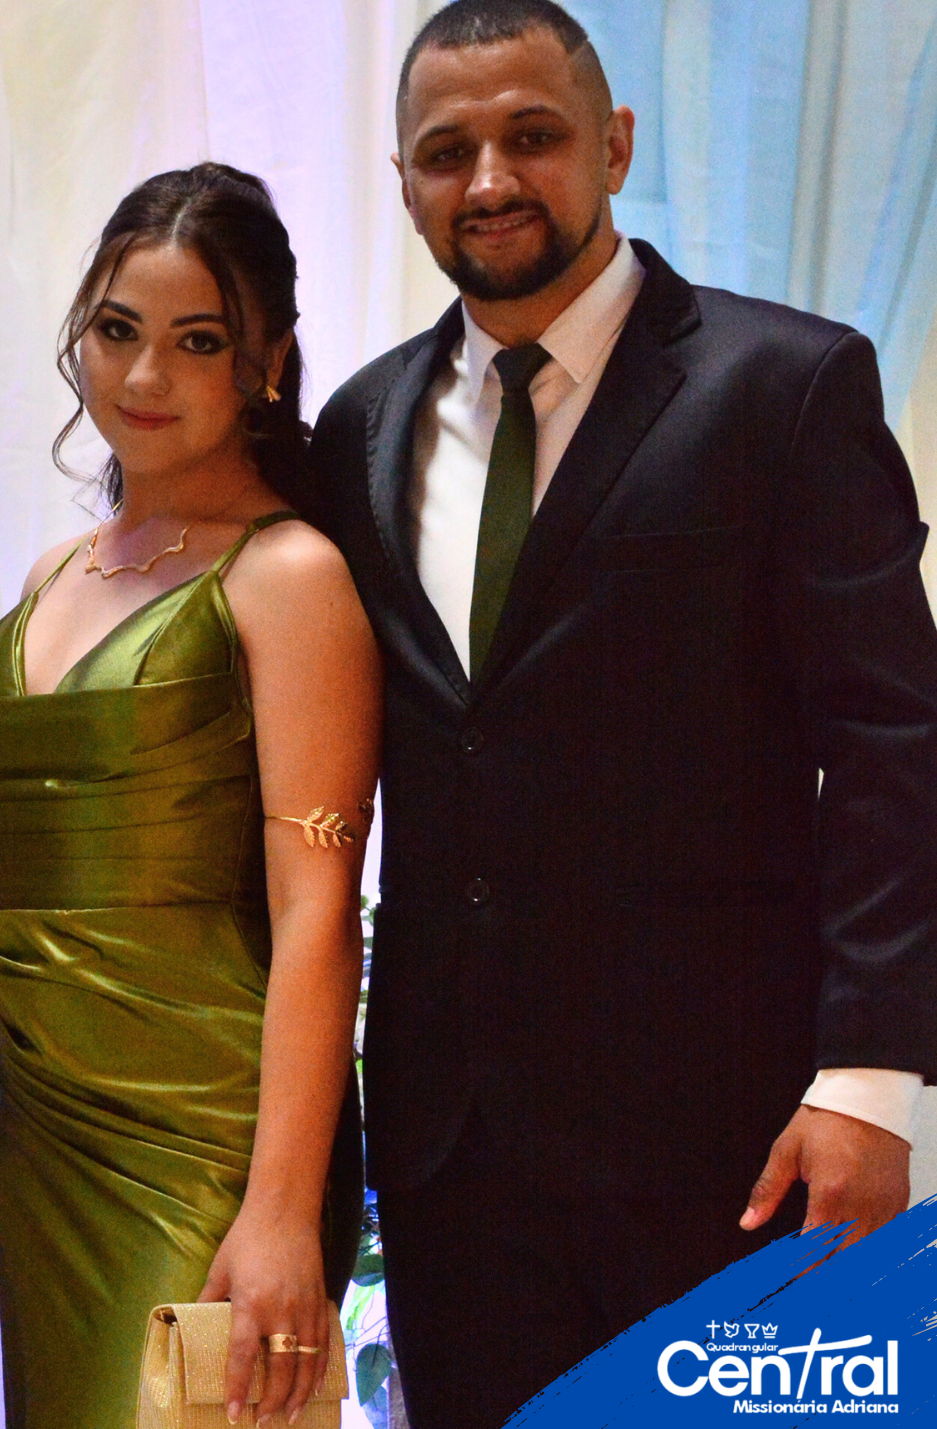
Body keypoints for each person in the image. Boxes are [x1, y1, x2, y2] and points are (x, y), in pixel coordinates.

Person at [309, 2, 937, 1424]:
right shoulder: (359, 426)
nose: (489, 180)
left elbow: (894, 742)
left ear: (614, 144)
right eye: (445, 151)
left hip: (731, 1135)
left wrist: (868, 1080)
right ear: (403, 181)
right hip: (451, 1153)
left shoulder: (785, 385)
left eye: (531, 135)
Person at [0, 163, 377, 1429]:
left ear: (267, 363)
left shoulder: (288, 574)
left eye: (196, 341)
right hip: (38, 1132)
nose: (142, 376)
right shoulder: (52, 569)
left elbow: (316, 912)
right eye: (116, 329)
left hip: (200, 1147)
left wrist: (281, 1210)